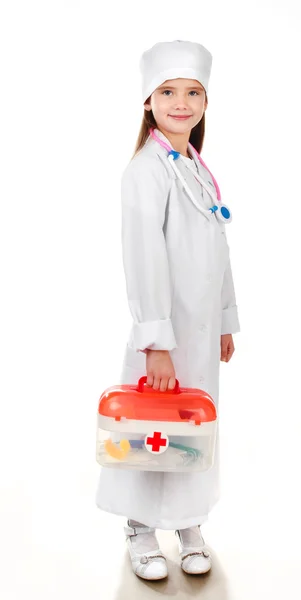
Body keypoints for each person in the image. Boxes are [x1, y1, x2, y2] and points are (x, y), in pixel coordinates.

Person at [96, 39, 240, 581]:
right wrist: (156, 343)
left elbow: (218, 250)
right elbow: (145, 259)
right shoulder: (146, 170)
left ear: (205, 102)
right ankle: (139, 526)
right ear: (148, 101)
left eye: (194, 92)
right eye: (168, 91)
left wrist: (226, 317)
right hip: (165, 337)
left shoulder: (196, 168)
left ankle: (188, 523)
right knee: (148, 432)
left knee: (192, 432)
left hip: (201, 335)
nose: (182, 102)